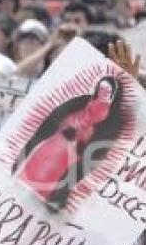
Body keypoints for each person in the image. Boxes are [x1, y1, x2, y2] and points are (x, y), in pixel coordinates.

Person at [13, 76, 121, 211]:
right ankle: (30, 182)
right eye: (102, 87)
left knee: (58, 168)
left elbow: (91, 123)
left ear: (112, 94)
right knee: (44, 159)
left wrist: (79, 134)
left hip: (75, 143)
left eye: (107, 90)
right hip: (62, 136)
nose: (103, 91)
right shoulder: (85, 100)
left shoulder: (105, 111)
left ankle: (47, 193)